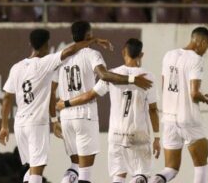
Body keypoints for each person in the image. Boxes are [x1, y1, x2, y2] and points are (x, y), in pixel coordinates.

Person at [0, 29, 112, 183]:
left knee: (31, 169)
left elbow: (6, 97)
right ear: (46, 45)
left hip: (19, 125)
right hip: (36, 124)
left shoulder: (16, 67)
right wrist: (95, 40)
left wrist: (4, 126)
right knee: (37, 172)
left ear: (30, 44)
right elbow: (71, 49)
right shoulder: (45, 62)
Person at [54, 21, 153, 183]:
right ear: (88, 35)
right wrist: (132, 79)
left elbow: (52, 89)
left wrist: (55, 117)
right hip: (84, 115)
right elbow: (104, 76)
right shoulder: (92, 54)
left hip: (65, 117)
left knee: (74, 166)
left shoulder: (61, 56)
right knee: (85, 173)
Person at [149, 27, 208, 183]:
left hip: (169, 119)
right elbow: (194, 93)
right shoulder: (197, 60)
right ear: (201, 42)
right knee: (200, 165)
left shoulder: (169, 55)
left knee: (170, 169)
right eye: (207, 46)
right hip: (189, 119)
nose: (206, 51)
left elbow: (164, 85)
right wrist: (205, 98)